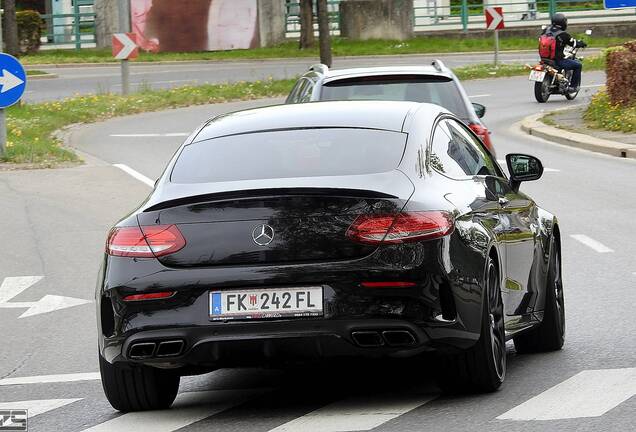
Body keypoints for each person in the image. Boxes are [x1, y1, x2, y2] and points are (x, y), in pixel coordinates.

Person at [539, 13, 587, 93]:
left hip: (544, 59)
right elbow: (574, 43)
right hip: (557, 61)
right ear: (563, 23)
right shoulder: (563, 34)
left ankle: (558, 80)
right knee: (578, 65)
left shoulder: (545, 31)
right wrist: (581, 43)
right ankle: (573, 87)